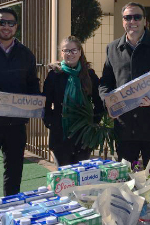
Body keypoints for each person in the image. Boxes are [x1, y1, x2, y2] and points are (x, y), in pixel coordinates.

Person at [99, 2, 150, 167]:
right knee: (125, 180)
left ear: (145, 21)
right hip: (125, 128)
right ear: (123, 21)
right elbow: (105, 82)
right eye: (128, 17)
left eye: (137, 17)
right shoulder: (112, 48)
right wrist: (107, 101)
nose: (132, 21)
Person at [0, 7, 40, 198]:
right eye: (2, 22)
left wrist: (35, 103)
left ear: (16, 27)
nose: (6, 26)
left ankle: (10, 208)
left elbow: (32, 83)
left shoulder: (26, 53)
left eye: (11, 23)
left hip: (16, 124)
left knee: (14, 172)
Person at [43, 36, 104, 166]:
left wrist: (93, 121)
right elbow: (46, 102)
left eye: (74, 50)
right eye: (66, 51)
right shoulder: (54, 75)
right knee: (64, 176)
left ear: (80, 52)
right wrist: (50, 121)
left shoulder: (89, 75)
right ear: (61, 53)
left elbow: (99, 102)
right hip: (61, 133)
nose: (70, 54)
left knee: (81, 174)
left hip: (84, 134)